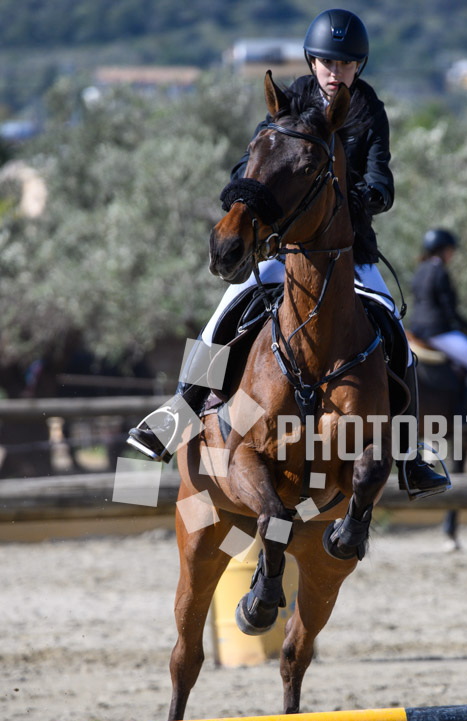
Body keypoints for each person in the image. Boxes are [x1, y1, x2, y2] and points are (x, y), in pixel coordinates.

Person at [127, 9, 449, 498]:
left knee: (396, 339)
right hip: (285, 244)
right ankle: (179, 410)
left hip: (349, 251)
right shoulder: (292, 99)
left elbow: (381, 183)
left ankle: (409, 454)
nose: (336, 71)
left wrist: (349, 198)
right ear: (312, 62)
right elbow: (250, 161)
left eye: (345, 64)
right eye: (327, 62)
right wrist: (249, 194)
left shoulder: (368, 110)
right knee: (224, 315)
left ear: (358, 66)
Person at [410, 228, 467, 424]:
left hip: (417, 330)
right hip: (437, 332)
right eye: (450, 251)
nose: (452, 255)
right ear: (443, 250)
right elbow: (449, 310)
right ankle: (463, 414)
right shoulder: (439, 271)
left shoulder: (420, 270)